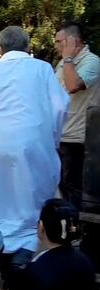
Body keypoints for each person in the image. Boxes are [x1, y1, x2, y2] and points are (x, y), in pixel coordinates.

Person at [0, 26, 69, 279]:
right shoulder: (43, 69)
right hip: (35, 144)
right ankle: (21, 259)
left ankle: (8, 259)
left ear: (0, 49)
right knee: (32, 203)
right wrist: (50, 139)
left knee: (1, 205)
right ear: (27, 46)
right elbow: (60, 107)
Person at [54, 21, 100, 209]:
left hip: (78, 139)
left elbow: (73, 86)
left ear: (73, 41)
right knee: (62, 186)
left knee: (74, 189)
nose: (56, 46)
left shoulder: (93, 62)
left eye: (59, 42)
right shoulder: (63, 63)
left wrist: (67, 58)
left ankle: (77, 231)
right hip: (61, 135)